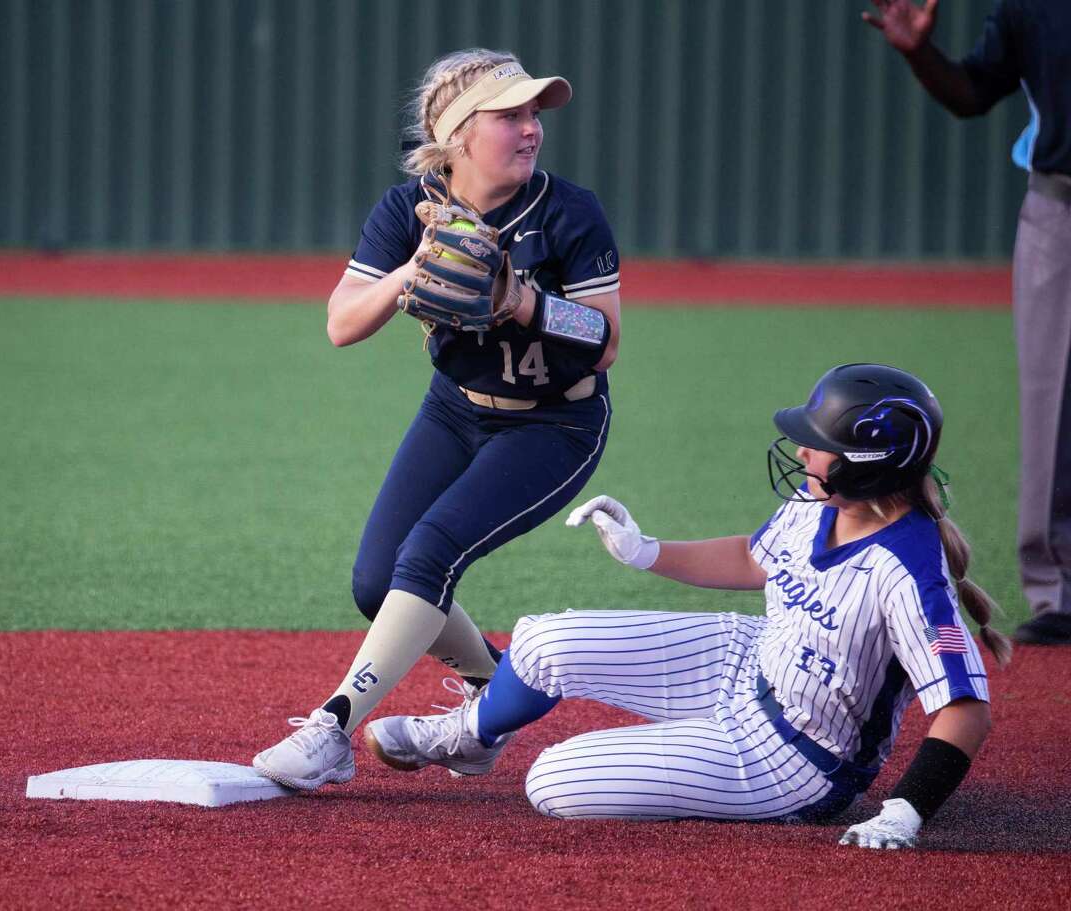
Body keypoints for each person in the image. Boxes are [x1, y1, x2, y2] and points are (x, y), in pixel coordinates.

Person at [365, 363, 1012, 849]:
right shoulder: (823, 502)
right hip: (749, 660)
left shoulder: (909, 571)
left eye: (819, 442)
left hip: (797, 756)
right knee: (539, 641)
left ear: (868, 462)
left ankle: (722, 775)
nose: (802, 451)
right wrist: (646, 550)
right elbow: (755, 557)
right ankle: (468, 739)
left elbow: (966, 710)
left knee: (554, 781)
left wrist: (907, 807)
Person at [252, 49, 622, 789]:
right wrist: (408, 272)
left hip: (555, 425)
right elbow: (341, 323)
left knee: (427, 553)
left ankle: (331, 729)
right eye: (510, 115)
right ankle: (494, 698)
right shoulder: (408, 209)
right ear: (456, 132)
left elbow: (607, 341)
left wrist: (524, 303)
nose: (531, 129)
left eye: (533, 114)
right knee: (375, 581)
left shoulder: (567, 211)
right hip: (455, 413)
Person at [863, 0, 1071, 645]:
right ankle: (1059, 588)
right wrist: (919, 52)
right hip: (1062, 204)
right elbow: (974, 92)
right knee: (1052, 398)